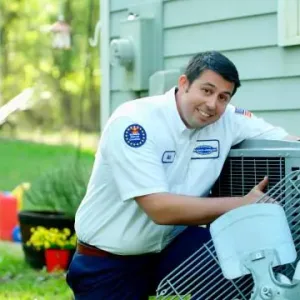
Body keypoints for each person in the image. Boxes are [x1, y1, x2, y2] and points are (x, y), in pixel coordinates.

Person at [66, 51, 300, 299]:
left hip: (172, 247)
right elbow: (159, 209)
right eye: (206, 91)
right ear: (184, 83)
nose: (212, 104)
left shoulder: (229, 119)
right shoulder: (135, 123)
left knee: (244, 258)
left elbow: (290, 144)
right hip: (110, 259)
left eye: (223, 97)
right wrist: (242, 204)